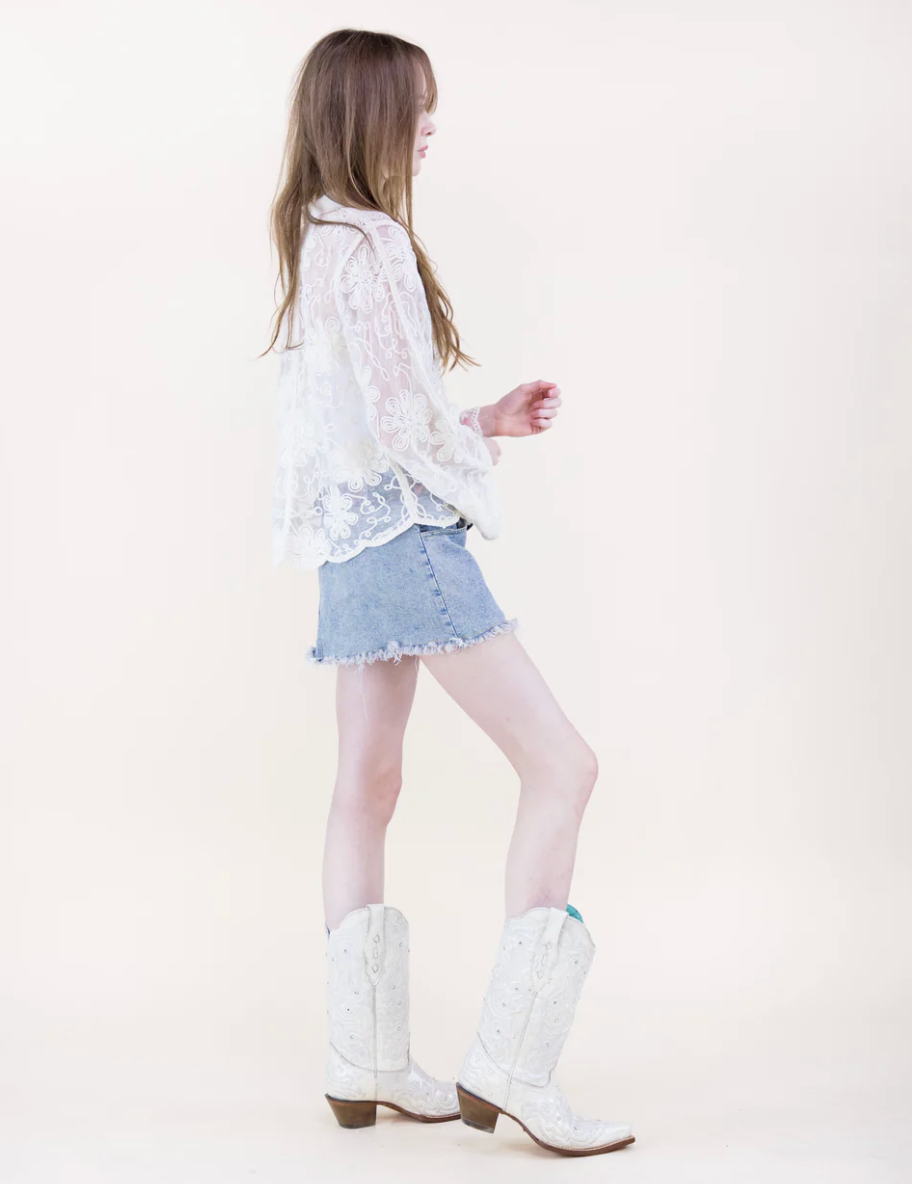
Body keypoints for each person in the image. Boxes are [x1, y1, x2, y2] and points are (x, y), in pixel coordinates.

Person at [263, 28, 635, 1157]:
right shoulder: (371, 240)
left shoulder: (315, 237)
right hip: (404, 540)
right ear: (369, 112)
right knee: (563, 764)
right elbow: (398, 426)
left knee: (364, 785)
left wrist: (478, 419)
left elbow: (362, 422)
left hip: (344, 546)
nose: (430, 127)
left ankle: (364, 1057)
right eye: (417, 108)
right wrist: (465, 450)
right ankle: (514, 1068)